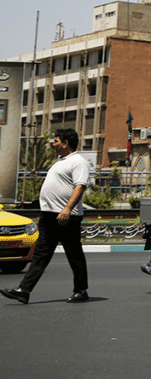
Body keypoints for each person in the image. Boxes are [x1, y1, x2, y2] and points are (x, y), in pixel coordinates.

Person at [2, 129, 90, 304]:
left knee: (74, 254)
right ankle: (24, 290)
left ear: (66, 143)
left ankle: (81, 290)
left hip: (66, 216)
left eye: (56, 141)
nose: (53, 144)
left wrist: (67, 209)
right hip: (49, 216)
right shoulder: (60, 162)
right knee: (41, 254)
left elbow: (80, 187)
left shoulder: (78, 162)